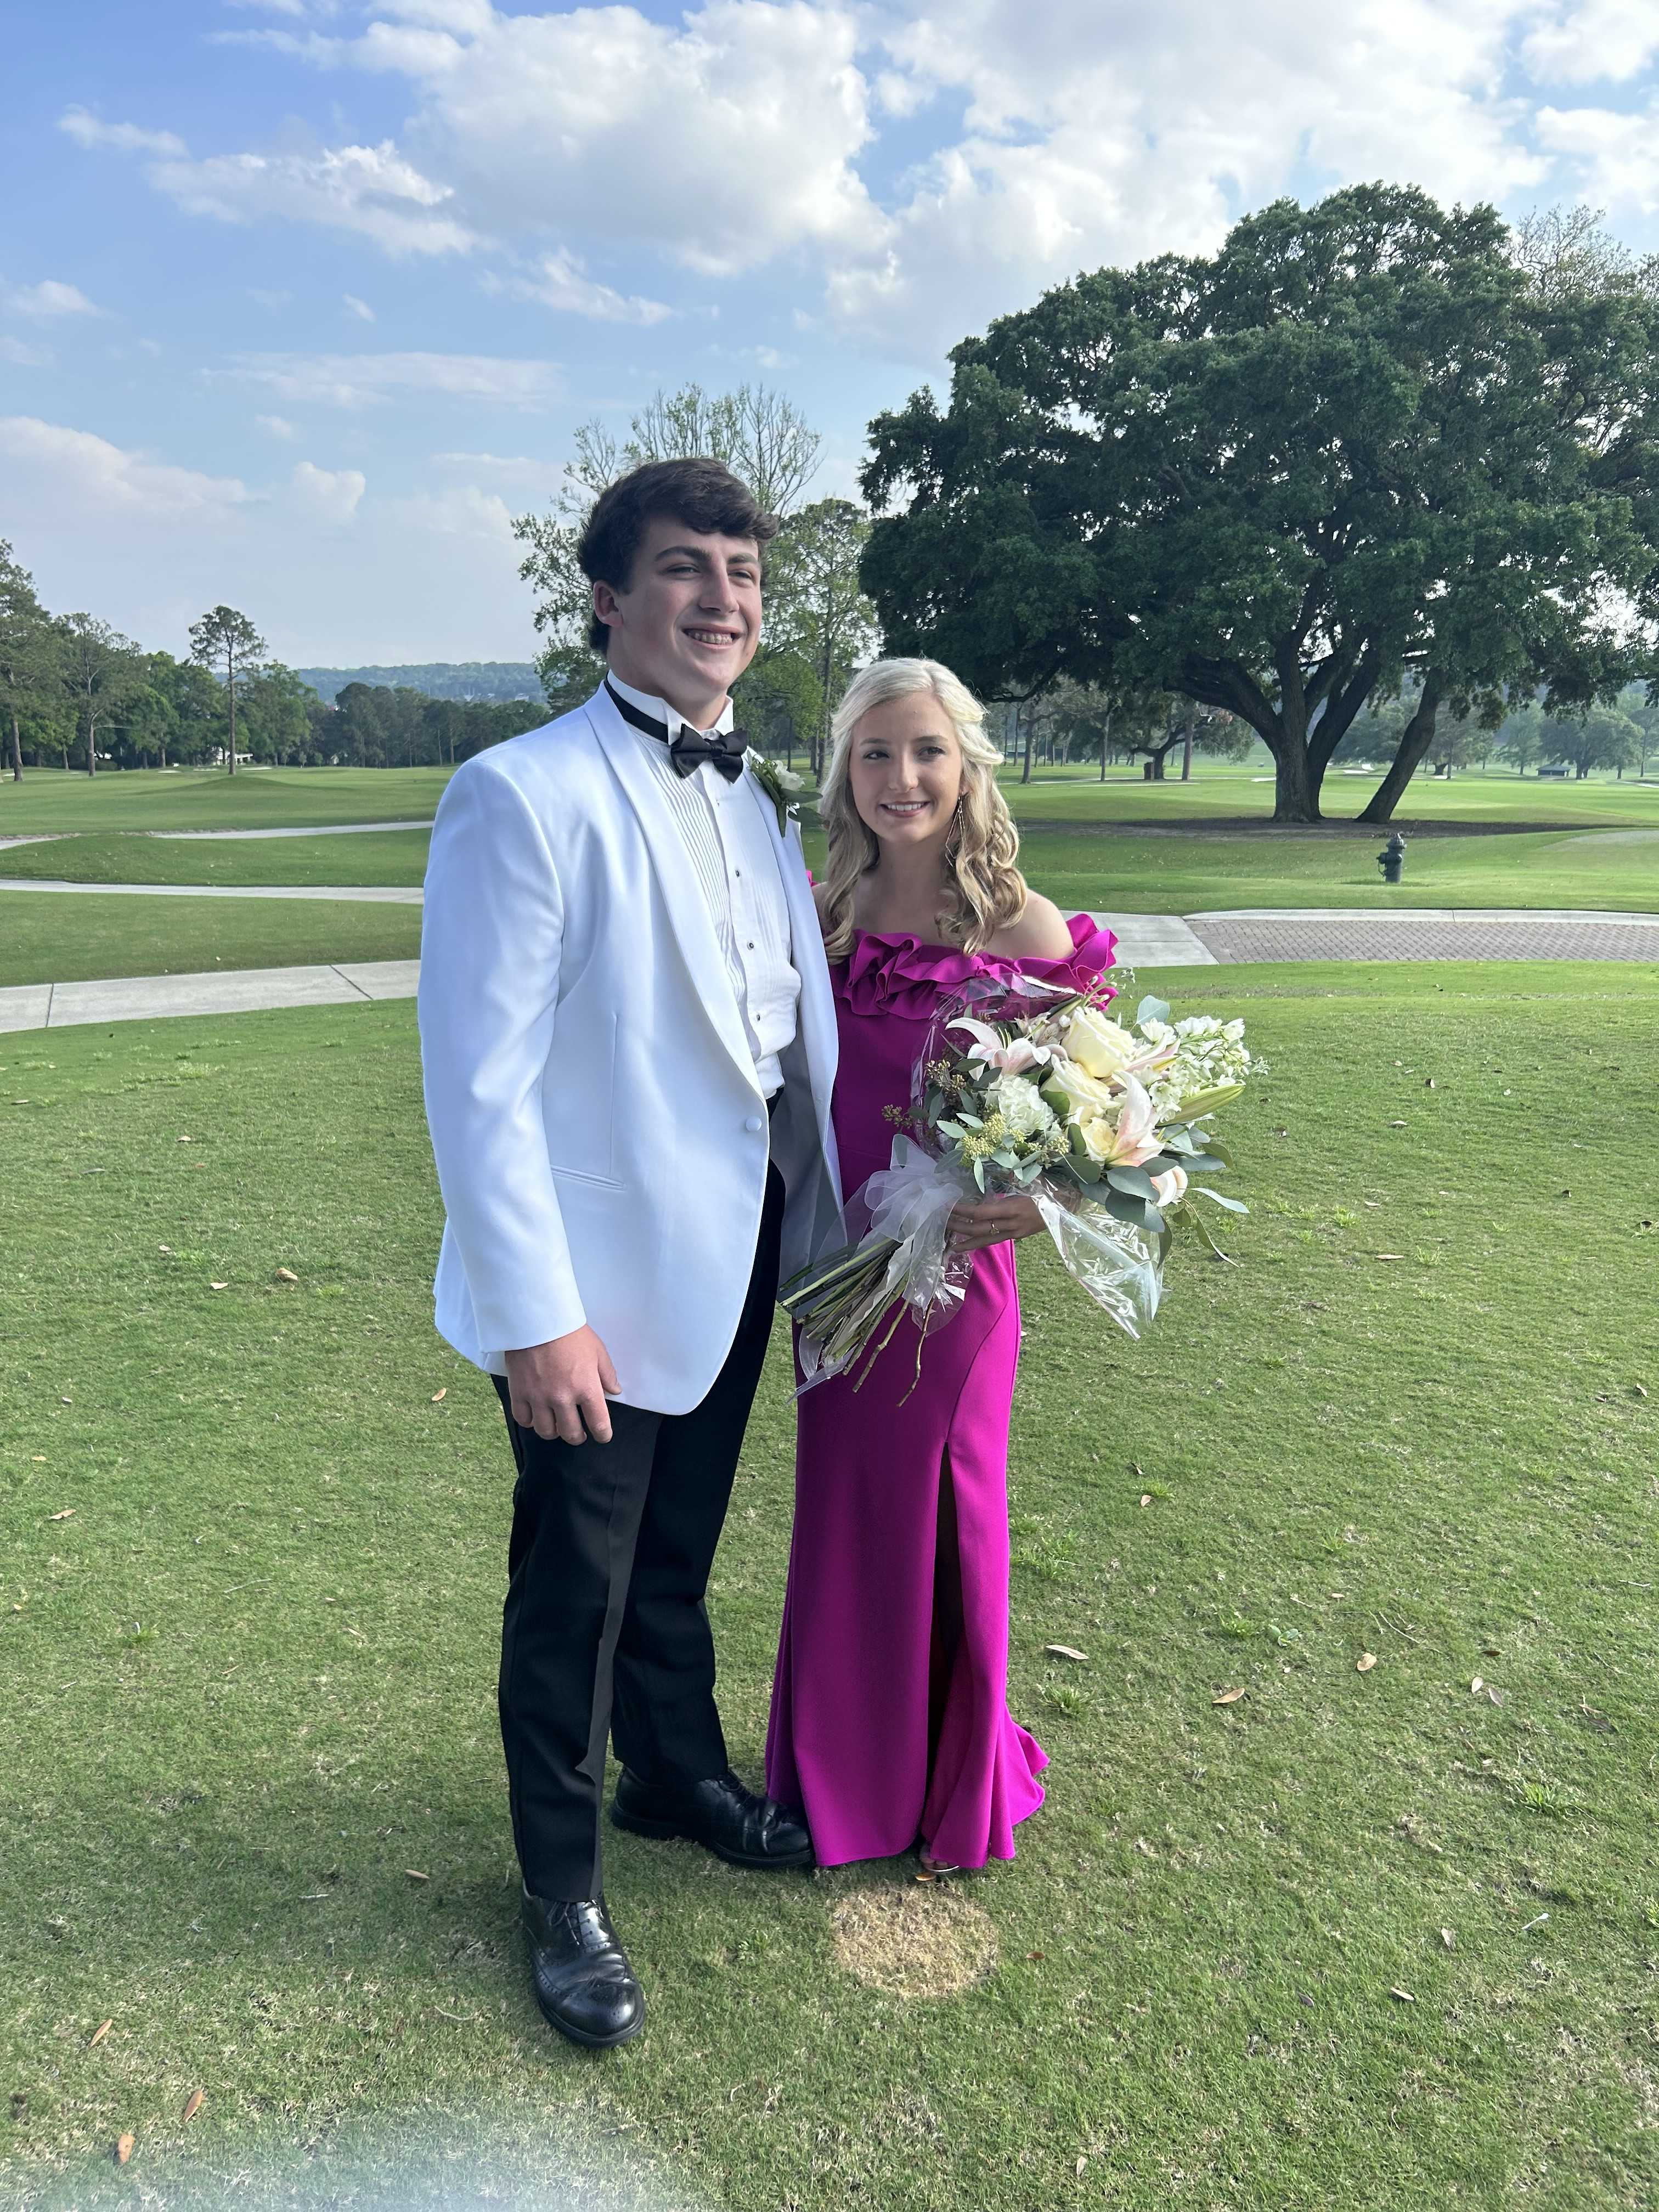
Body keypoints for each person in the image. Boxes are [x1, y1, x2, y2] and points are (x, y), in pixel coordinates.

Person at [419, 458, 841, 2049]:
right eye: (683, 568)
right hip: (587, 1289)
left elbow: (772, 1035)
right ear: (608, 599)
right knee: (574, 1588)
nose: (721, 600)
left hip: (735, 1256)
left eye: (742, 573)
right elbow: (479, 1083)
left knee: (676, 1555)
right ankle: (560, 1883)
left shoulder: (761, 799)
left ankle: (674, 1776)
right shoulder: (519, 792)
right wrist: (536, 1316)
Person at [765, 658, 1116, 1872]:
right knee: (844, 1514)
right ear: (844, 773)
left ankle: (945, 1784)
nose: (902, 778)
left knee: (941, 1509)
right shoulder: (816, 915)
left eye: (927, 751)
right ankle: (835, 1775)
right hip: (836, 1272)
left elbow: (1104, 1116)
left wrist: (1039, 1200)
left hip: (957, 1288)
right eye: (876, 753)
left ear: (968, 766)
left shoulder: (1022, 927)